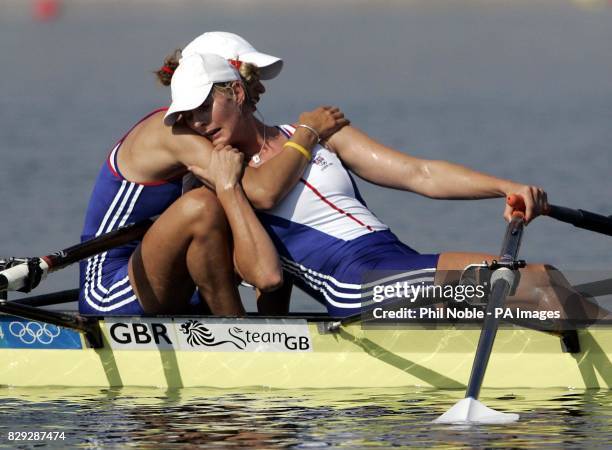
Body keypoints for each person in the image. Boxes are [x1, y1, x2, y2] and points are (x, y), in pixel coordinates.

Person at [182, 33, 610, 324]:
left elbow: (418, 173)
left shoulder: (318, 136)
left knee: (548, 282)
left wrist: (505, 187)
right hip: (354, 287)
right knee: (535, 285)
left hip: (397, 263)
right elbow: (264, 277)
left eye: (204, 109)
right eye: (188, 117)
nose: (199, 125)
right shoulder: (222, 178)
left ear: (237, 93)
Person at [78, 51, 349, 317]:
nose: (259, 88)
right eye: (249, 75)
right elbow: (264, 192)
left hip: (175, 279)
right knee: (202, 206)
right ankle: (238, 336)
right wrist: (307, 133)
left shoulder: (214, 134)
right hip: (111, 288)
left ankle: (267, 328)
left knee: (257, 214)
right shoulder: (173, 133)